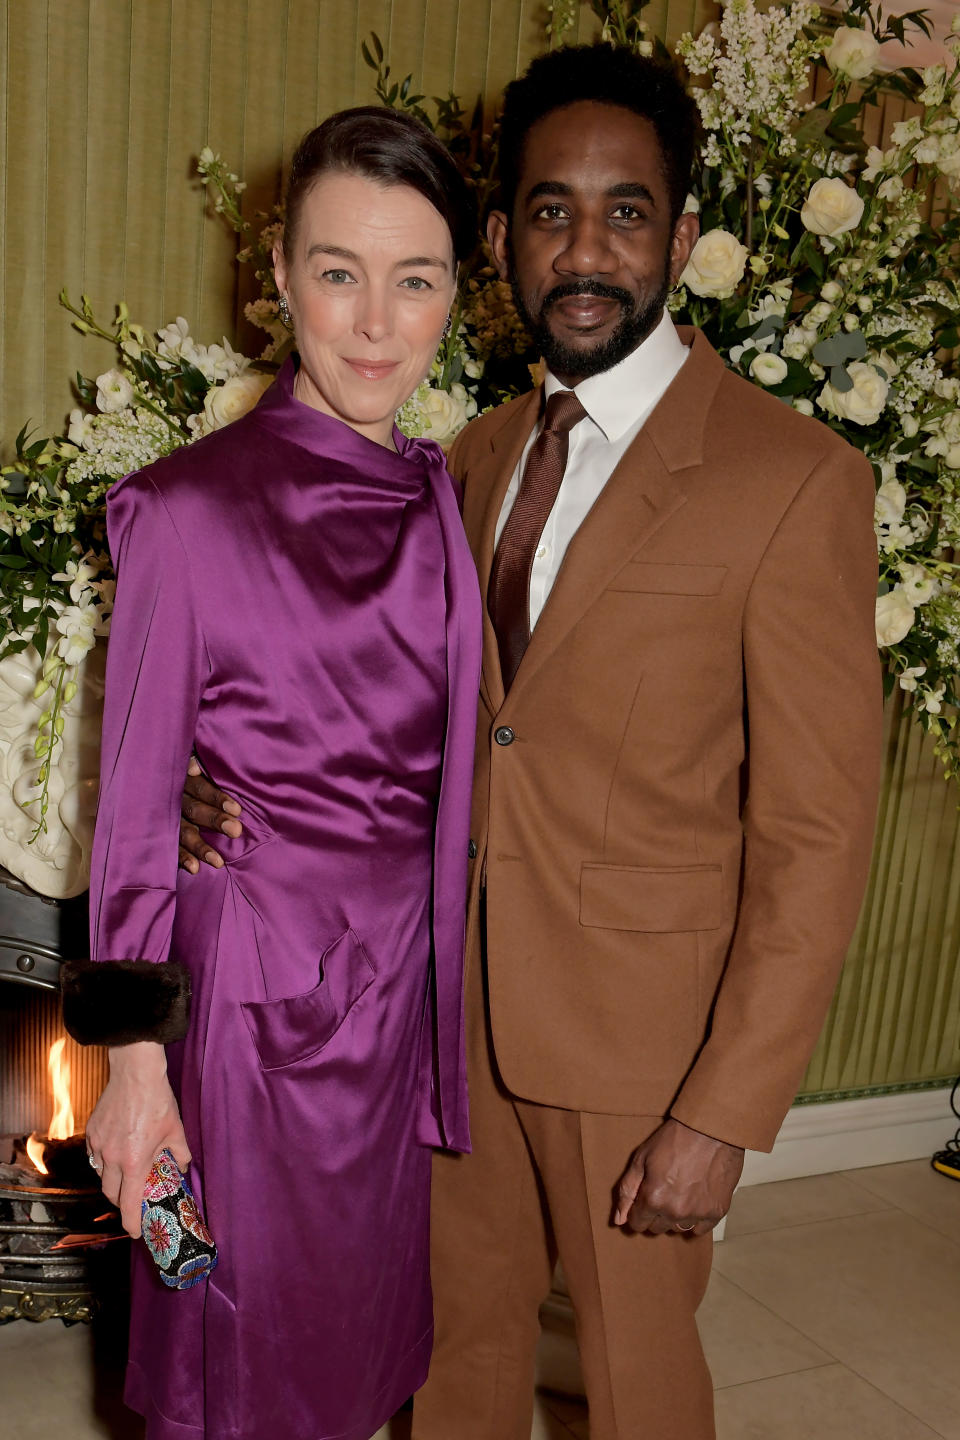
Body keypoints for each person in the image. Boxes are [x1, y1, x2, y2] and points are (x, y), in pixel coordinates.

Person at [179, 44, 883, 1440]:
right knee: (459, 1362)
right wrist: (214, 785)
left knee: (636, 1386)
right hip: (442, 1020)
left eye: (628, 211)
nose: (588, 246)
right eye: (551, 209)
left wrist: (721, 1113)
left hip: (641, 1052)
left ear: (683, 235)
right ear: (499, 241)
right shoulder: (467, 459)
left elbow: (817, 832)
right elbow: (376, 703)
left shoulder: (794, 479)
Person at [59, 106, 481, 1440]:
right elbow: (131, 816)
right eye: (338, 273)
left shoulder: (442, 495)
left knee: (347, 1358)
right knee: (207, 1314)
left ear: (455, 297)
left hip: (389, 1017)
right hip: (233, 1030)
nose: (373, 323)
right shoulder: (184, 513)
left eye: (414, 281)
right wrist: (134, 1066)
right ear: (280, 276)